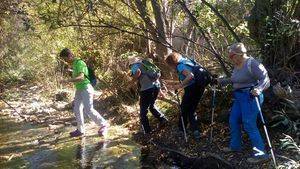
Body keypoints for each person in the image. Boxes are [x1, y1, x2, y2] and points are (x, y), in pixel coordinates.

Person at [217, 42, 270, 163]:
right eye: (230, 56)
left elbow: (266, 79)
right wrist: (222, 81)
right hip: (239, 98)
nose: (231, 59)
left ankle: (261, 155)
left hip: (250, 97)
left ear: (239, 54)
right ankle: (235, 146)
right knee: (233, 120)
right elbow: (236, 79)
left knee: (249, 124)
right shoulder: (237, 64)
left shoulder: (252, 64)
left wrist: (259, 88)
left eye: (232, 56)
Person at [59, 48, 109, 137]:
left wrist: (67, 80)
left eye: (65, 59)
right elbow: (78, 75)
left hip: (86, 88)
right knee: (77, 109)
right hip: (79, 89)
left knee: (89, 109)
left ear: (70, 56)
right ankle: (80, 130)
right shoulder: (74, 64)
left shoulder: (80, 63)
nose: (65, 61)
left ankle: (103, 125)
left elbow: (81, 77)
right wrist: (70, 72)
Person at [165, 52, 208, 141]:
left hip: (192, 89)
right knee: (191, 110)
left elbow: (190, 76)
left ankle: (181, 130)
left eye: (169, 65)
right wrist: (176, 84)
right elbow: (189, 78)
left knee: (183, 109)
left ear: (172, 63)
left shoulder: (180, 66)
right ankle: (196, 131)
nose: (170, 67)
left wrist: (179, 86)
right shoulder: (187, 61)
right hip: (200, 87)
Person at [128, 56, 168, 134]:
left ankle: (147, 131)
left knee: (143, 111)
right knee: (151, 106)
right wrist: (160, 91)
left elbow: (138, 72)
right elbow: (154, 78)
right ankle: (163, 119)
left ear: (131, 63)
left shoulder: (135, 66)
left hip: (146, 89)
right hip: (156, 87)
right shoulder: (146, 64)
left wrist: (131, 83)